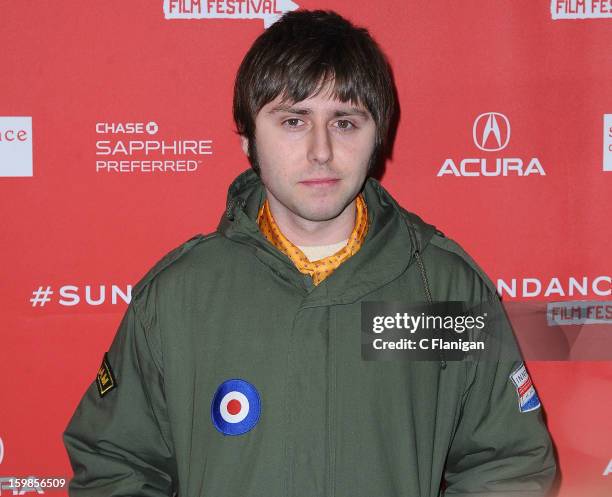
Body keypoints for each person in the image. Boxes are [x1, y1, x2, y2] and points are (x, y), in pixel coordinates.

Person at [63, 9, 557, 497]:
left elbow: (507, 464)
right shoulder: (179, 297)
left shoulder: (443, 293)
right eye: (294, 121)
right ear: (248, 140)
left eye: (344, 122)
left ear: (377, 135)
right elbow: (116, 465)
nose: (321, 150)